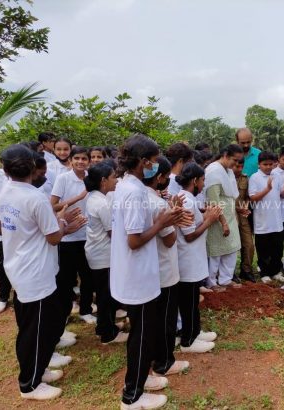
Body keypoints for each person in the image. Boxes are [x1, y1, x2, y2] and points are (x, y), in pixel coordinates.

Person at [0, 144, 84, 400]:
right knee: (35, 329)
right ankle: (29, 384)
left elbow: (1, 226)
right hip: (36, 271)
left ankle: (38, 369)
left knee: (30, 324)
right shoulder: (35, 198)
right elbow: (54, 237)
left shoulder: (6, 191)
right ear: (34, 169)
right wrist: (65, 226)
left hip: (18, 267)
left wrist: (23, 234)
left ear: (6, 169)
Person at [111, 134, 185, 409]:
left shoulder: (127, 186)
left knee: (146, 330)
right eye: (154, 161)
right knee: (141, 335)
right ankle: (132, 396)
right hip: (136, 276)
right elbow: (134, 240)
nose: (156, 166)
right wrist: (163, 221)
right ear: (143, 162)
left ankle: (142, 378)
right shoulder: (132, 192)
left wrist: (159, 219)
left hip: (138, 273)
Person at [142, 156, 191, 375]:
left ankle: (156, 356)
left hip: (150, 268)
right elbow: (170, 239)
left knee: (154, 318)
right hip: (164, 268)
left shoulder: (141, 197)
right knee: (166, 319)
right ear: (161, 177)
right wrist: (175, 217)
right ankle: (164, 361)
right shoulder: (158, 203)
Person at [175, 163, 222, 353]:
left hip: (193, 257)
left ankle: (195, 331)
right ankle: (188, 341)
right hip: (187, 259)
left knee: (193, 298)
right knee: (187, 301)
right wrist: (209, 220)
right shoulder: (185, 201)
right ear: (194, 181)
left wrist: (206, 216)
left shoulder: (188, 199)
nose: (203, 185)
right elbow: (189, 234)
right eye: (202, 180)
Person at [84, 162, 128, 344]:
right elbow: (113, 233)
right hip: (103, 255)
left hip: (97, 252)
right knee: (105, 296)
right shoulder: (101, 203)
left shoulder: (94, 197)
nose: (116, 180)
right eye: (113, 177)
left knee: (104, 293)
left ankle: (105, 327)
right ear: (103, 181)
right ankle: (107, 333)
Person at [51, 147, 94, 327]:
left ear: (89, 162)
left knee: (87, 276)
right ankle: (64, 313)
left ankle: (86, 310)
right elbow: (53, 205)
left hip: (88, 235)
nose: (80, 162)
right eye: (77, 158)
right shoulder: (63, 178)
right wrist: (78, 197)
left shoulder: (92, 178)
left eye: (84, 159)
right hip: (68, 236)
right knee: (65, 279)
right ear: (71, 160)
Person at [205, 144, 243, 289]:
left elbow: (231, 195)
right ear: (225, 155)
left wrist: (238, 210)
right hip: (217, 218)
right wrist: (223, 222)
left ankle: (226, 279)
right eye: (235, 160)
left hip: (230, 215)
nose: (236, 164)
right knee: (216, 250)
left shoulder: (228, 171)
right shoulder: (213, 171)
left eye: (239, 161)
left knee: (231, 247)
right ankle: (212, 282)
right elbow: (214, 201)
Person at [249, 152, 284, 284]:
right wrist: (267, 188)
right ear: (259, 164)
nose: (268, 167)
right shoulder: (254, 178)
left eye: (270, 164)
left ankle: (276, 271)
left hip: (276, 220)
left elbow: (281, 195)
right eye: (265, 164)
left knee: (277, 248)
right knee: (263, 249)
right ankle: (264, 273)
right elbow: (253, 198)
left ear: (274, 164)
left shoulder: (276, 175)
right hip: (262, 220)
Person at [233, 157, 255, 282]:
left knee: (249, 244)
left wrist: (246, 205)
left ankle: (246, 270)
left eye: (241, 166)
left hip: (242, 215)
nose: (239, 169)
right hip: (229, 214)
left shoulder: (245, 178)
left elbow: (247, 196)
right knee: (231, 245)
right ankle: (230, 273)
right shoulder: (225, 178)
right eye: (237, 166)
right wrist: (237, 208)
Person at [0, 166, 9, 314]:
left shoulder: (3, 175)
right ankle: (2, 296)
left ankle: (4, 296)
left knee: (4, 262)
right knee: (1, 263)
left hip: (5, 226)